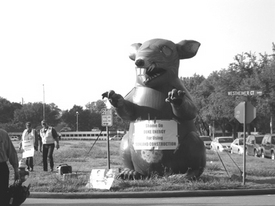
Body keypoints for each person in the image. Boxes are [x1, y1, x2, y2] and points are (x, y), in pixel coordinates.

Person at [0, 129, 19, 205]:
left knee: (3, 194)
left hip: (1, 168)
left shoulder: (3, 134)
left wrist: (16, 169)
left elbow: (11, 152)